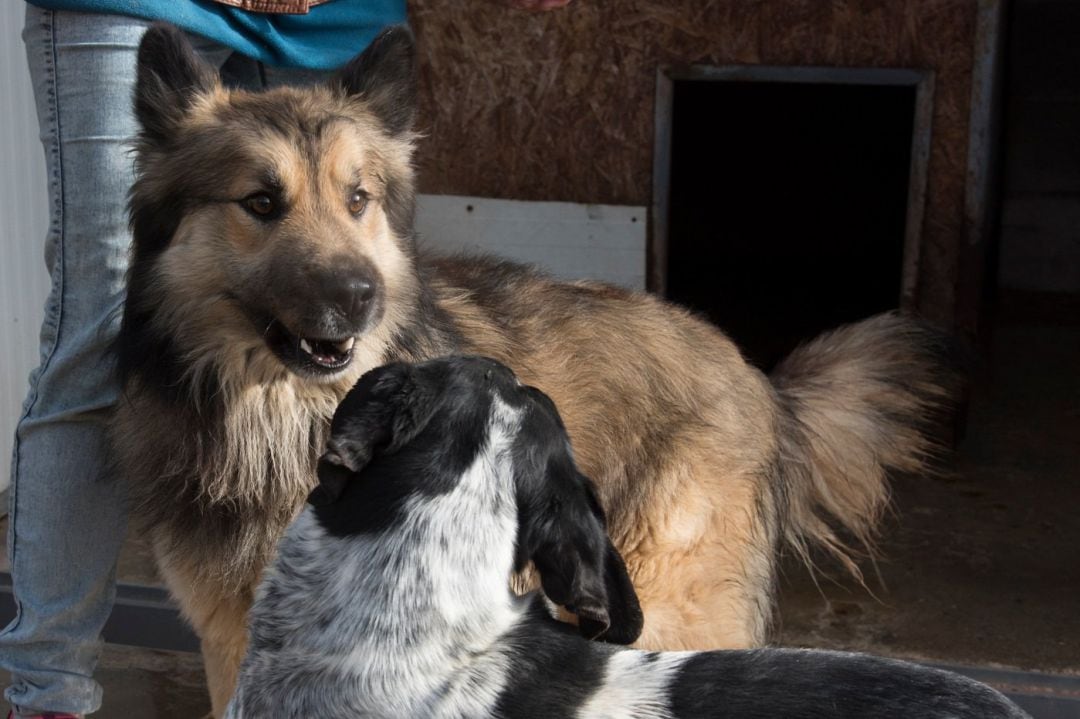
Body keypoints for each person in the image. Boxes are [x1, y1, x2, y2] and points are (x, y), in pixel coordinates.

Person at [0, 0, 570, 717]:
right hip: (140, 4)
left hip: (330, 8)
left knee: (363, 299)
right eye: (262, 206)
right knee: (99, 325)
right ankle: (48, 692)